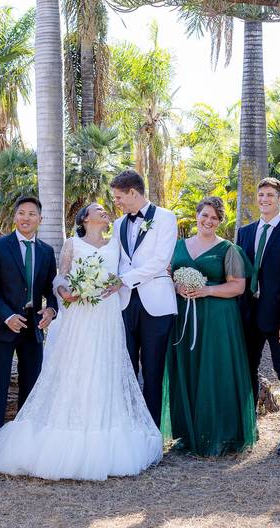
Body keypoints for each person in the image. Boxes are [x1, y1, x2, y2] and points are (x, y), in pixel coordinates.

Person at [0, 203, 162, 480]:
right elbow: (59, 279)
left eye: (105, 208)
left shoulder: (117, 244)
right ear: (84, 218)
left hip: (107, 316)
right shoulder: (71, 244)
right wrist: (64, 292)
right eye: (97, 208)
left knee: (105, 370)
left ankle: (103, 427)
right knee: (75, 369)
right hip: (79, 315)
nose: (104, 211)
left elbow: (128, 272)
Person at [164, 197, 256, 456]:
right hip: (183, 315)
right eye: (205, 215)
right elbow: (165, 276)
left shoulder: (228, 249)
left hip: (217, 317)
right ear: (197, 215)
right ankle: (188, 431)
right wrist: (177, 287)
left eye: (214, 218)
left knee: (215, 369)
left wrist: (206, 290)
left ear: (220, 221)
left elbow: (237, 286)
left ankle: (220, 431)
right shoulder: (178, 246)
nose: (208, 221)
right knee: (188, 366)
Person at [236, 177, 280, 454]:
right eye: (261, 194)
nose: (264, 199)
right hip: (248, 316)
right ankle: (247, 428)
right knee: (247, 371)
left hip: (279, 318)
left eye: (270, 195)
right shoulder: (244, 232)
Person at [0, 196, 59, 439]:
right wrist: (7, 316)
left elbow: (50, 290)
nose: (26, 218)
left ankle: (25, 437)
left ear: (40, 219)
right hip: (3, 327)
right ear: (15, 217)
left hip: (33, 328)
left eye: (32, 214)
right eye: (22, 213)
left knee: (31, 383)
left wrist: (51, 310)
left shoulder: (46, 251)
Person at [108, 170, 178, 427]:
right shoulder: (118, 225)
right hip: (124, 303)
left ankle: (152, 433)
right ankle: (129, 429)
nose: (116, 202)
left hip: (156, 305)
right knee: (126, 370)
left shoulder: (166, 218)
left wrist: (124, 279)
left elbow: (161, 261)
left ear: (133, 193)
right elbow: (115, 261)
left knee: (152, 370)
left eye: (118, 197)